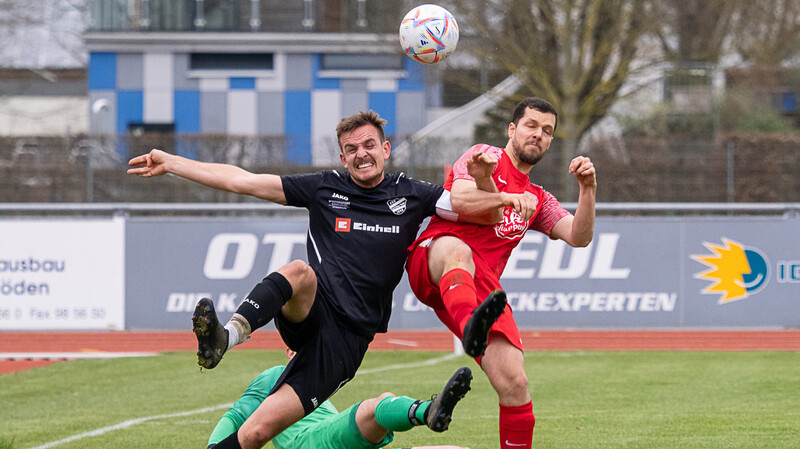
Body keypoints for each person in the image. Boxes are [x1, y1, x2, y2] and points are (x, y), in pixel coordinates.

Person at [127, 111, 524, 449]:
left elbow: (467, 206)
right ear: (343, 157)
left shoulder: (412, 193)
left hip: (347, 340)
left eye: (369, 145)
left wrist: (501, 197)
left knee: (256, 433)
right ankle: (224, 338)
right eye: (351, 149)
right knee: (299, 271)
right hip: (312, 310)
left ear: (385, 150)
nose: (361, 154)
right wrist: (173, 163)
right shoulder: (325, 188)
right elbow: (241, 180)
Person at [405, 97, 597, 449]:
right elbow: (460, 199)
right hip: (435, 257)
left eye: (547, 131)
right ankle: (470, 328)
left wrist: (588, 190)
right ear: (512, 129)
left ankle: (472, 326)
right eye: (531, 125)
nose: (538, 134)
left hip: (480, 289)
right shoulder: (483, 156)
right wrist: (502, 196)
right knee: (459, 251)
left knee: (515, 383)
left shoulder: (538, 198)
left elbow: (578, 237)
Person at [207, 349, 472, 449]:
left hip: (334, 438)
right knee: (377, 405)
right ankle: (426, 411)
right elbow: (234, 417)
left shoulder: (321, 380)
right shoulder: (275, 376)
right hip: (308, 442)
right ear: (289, 352)